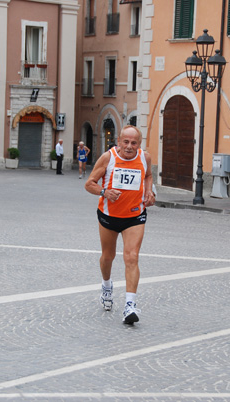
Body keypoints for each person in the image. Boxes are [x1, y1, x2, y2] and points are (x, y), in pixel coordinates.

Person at [84, 125, 155, 325]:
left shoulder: (145, 158)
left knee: (132, 257)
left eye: (134, 143)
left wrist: (149, 192)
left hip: (135, 215)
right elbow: (89, 183)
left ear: (139, 144)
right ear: (119, 141)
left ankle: (130, 305)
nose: (129, 146)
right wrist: (104, 192)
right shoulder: (108, 158)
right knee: (108, 257)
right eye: (126, 142)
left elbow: (148, 176)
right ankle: (107, 286)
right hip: (109, 215)